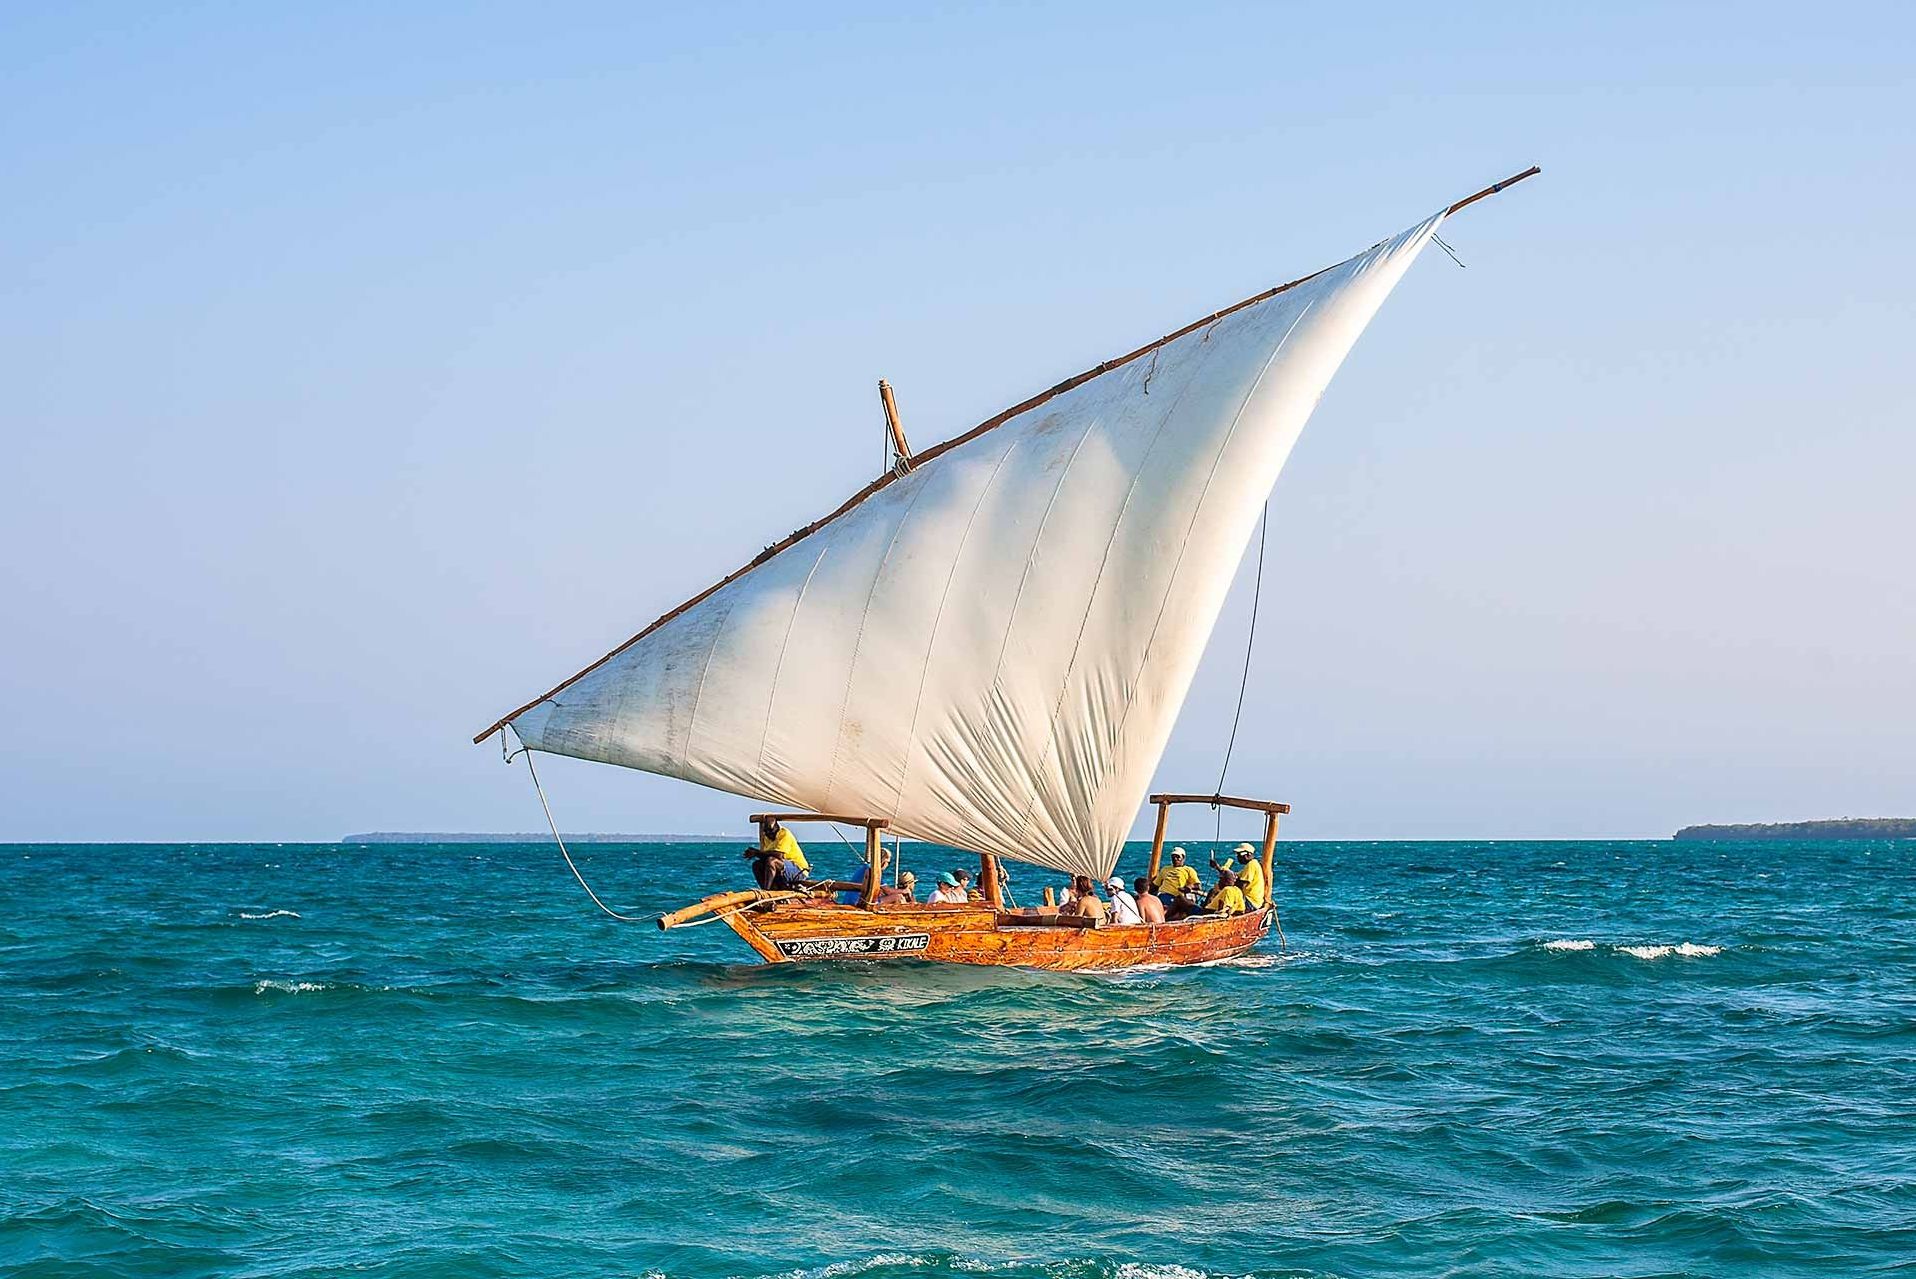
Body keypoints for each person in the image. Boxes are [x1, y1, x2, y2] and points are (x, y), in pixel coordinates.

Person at [744, 817, 810, 890]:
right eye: (766, 832)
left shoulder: (784, 834)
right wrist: (753, 853)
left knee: (772, 861)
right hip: (783, 870)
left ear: (777, 828)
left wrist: (757, 853)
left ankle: (766, 890)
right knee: (756, 864)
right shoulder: (766, 837)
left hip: (798, 871)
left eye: (770, 831)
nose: (768, 834)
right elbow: (764, 855)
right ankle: (771, 889)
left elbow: (779, 855)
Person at [1211, 842, 1267, 909]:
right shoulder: (1249, 866)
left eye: (1239, 854)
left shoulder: (1252, 865)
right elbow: (1234, 876)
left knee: (1226, 891)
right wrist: (1217, 867)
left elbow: (1241, 885)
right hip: (1249, 901)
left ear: (1248, 854)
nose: (1238, 857)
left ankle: (1208, 910)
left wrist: (1226, 884)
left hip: (1251, 902)